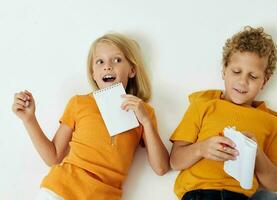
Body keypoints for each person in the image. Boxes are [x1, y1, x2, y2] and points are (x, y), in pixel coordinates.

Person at [12, 33, 169, 200]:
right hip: (59, 190)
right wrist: (29, 120)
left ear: (132, 70)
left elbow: (161, 168)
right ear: (93, 73)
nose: (107, 66)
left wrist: (146, 122)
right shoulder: (79, 103)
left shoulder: (144, 112)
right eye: (100, 61)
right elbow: (53, 157)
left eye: (117, 60)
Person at [169, 26, 277, 200]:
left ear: (264, 81)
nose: (242, 81)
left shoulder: (272, 121)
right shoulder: (202, 105)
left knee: (271, 198)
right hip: (201, 194)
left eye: (253, 76)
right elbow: (175, 161)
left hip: (241, 197)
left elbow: (275, 184)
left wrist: (257, 154)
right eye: (236, 72)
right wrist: (202, 148)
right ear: (224, 70)